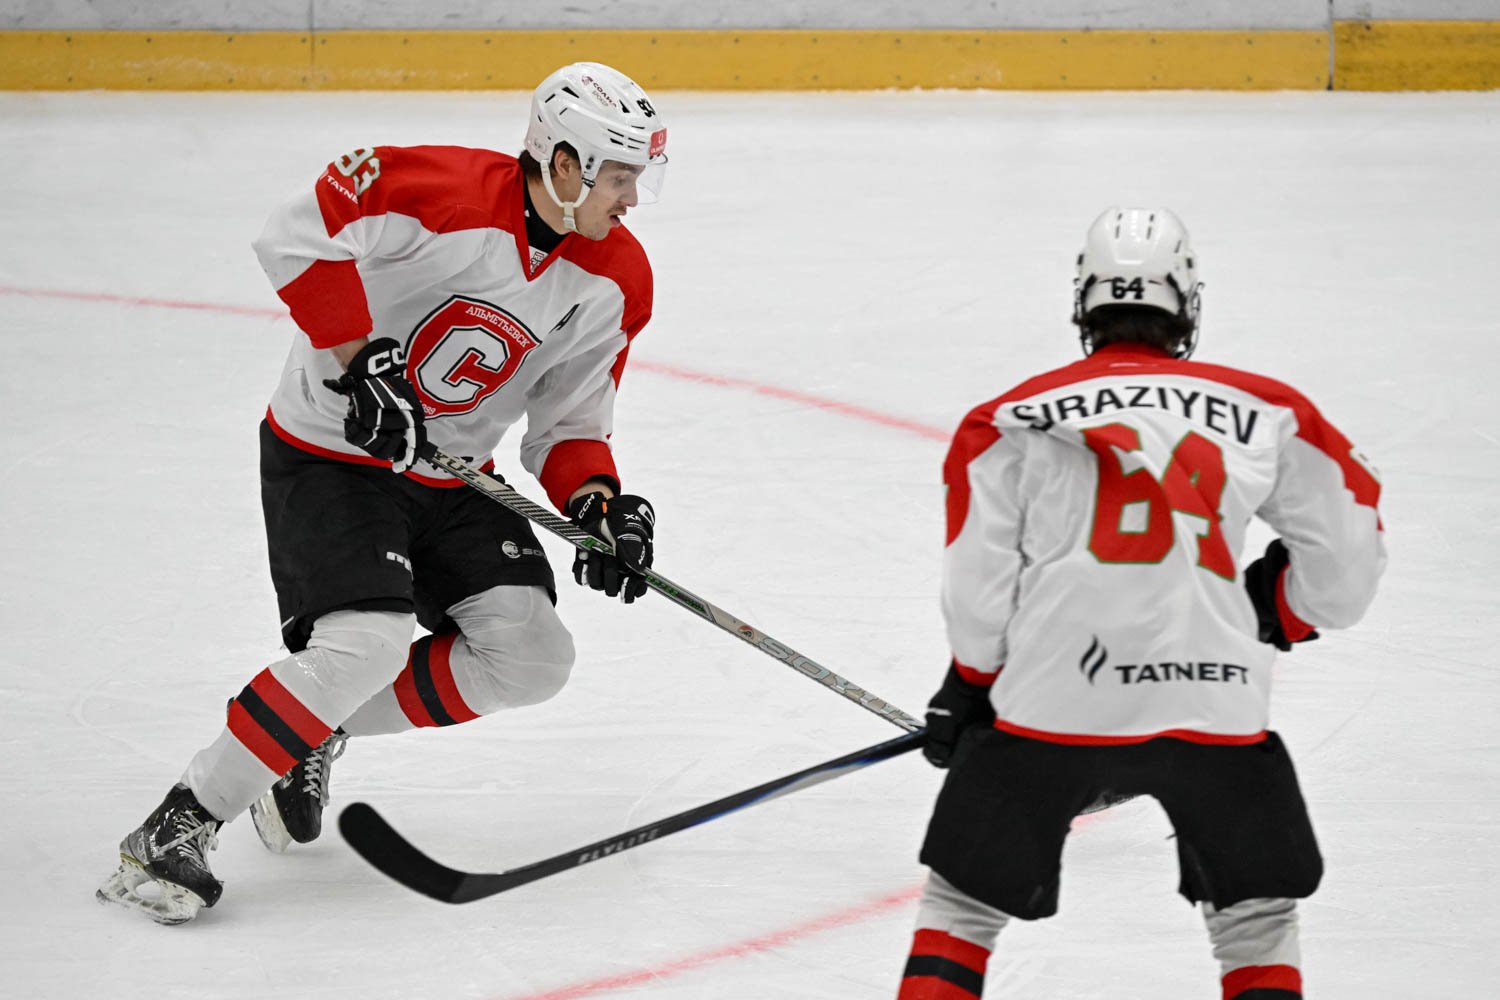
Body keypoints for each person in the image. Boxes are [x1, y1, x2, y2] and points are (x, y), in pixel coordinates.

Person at [96, 61, 670, 925]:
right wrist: (359, 359)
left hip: (453, 473)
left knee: (532, 656)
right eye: (619, 177)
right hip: (333, 455)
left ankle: (312, 726)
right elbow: (295, 235)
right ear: (563, 164)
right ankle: (177, 824)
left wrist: (598, 504)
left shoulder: (618, 277)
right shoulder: (436, 189)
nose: (631, 199)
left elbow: (569, 424)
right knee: (365, 644)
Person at [898, 208, 1385, 999]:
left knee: (961, 907)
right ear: (1186, 303)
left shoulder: (1007, 417)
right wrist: (1285, 605)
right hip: (1215, 699)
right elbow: (1348, 561)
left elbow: (977, 586)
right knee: (1256, 920)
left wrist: (973, 681)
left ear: (1084, 303)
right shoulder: (1269, 409)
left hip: (1054, 699)